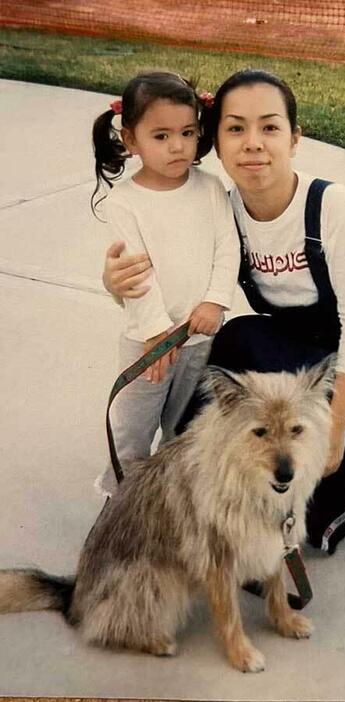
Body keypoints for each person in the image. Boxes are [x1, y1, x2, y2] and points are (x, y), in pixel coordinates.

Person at [102, 69, 345, 554]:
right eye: (235, 128)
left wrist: (334, 432)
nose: (253, 142)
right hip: (301, 349)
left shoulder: (334, 208)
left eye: (270, 127)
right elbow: (177, 279)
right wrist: (115, 285)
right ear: (214, 139)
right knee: (231, 344)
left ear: (294, 138)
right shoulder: (224, 209)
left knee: (318, 495)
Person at [93, 71, 240, 497]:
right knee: (133, 429)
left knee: (184, 428)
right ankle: (121, 501)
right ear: (131, 139)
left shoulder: (211, 188)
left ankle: (171, 499)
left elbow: (226, 248)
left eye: (187, 132)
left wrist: (215, 301)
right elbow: (136, 274)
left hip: (198, 338)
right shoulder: (125, 202)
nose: (177, 146)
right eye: (160, 135)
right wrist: (156, 330)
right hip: (149, 343)